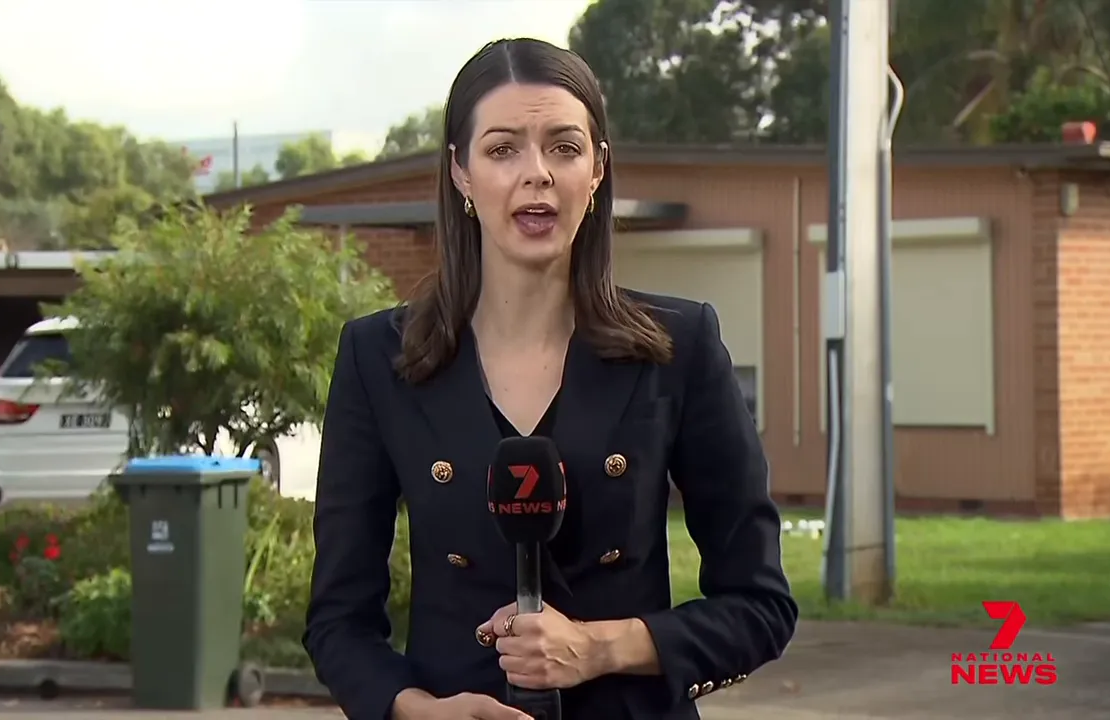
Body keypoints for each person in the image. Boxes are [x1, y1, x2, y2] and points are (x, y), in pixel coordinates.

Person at [303, 37, 797, 720]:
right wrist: (414, 710)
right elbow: (337, 621)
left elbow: (761, 607)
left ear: (597, 169)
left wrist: (602, 648)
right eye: (503, 149)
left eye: (563, 147)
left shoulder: (678, 348)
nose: (537, 173)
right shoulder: (378, 358)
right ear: (461, 173)